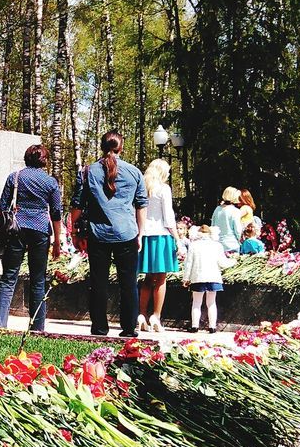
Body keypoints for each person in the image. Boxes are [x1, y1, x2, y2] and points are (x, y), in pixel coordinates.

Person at [70, 131, 147, 337]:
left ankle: (99, 328)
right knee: (129, 283)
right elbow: (141, 205)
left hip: (98, 235)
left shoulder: (88, 172)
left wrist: (74, 231)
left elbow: (77, 205)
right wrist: (140, 234)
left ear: (102, 146)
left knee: (98, 283)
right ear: (121, 148)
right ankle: (129, 328)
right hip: (127, 234)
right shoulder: (134, 172)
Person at [0, 144, 63, 332]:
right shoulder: (51, 182)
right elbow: (56, 213)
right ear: (44, 161)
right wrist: (57, 241)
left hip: (17, 229)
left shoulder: (14, 177)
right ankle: (37, 327)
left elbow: (3, 206)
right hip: (40, 230)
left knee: (8, 277)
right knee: (38, 279)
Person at [137, 159, 179, 333]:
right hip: (161, 235)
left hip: (145, 234)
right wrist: (177, 238)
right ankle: (156, 316)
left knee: (147, 279)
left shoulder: (143, 187)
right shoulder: (164, 189)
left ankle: (141, 315)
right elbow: (168, 217)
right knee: (161, 279)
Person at [182, 224, 234, 332]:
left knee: (196, 302)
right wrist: (234, 261)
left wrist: (186, 278)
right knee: (211, 303)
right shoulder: (217, 245)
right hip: (213, 277)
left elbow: (188, 264)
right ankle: (212, 327)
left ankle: (195, 326)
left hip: (197, 277)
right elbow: (222, 262)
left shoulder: (193, 245)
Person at [210, 187, 243, 254]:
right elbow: (238, 230)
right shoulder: (235, 211)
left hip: (218, 244)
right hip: (232, 244)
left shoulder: (217, 209)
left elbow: (212, 226)